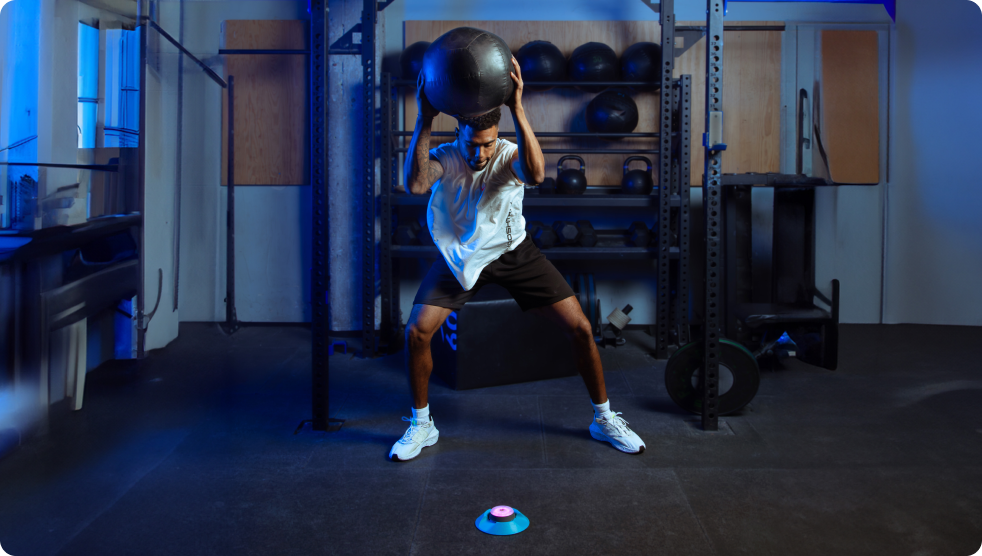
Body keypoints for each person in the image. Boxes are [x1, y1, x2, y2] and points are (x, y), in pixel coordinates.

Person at [389, 56, 645, 461]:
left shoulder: (508, 154)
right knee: (418, 332)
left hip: (514, 253)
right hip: (461, 257)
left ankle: (604, 418)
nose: (481, 154)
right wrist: (423, 118)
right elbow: (417, 184)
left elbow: (538, 174)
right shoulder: (447, 156)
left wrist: (519, 108)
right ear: (458, 133)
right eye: (474, 145)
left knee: (580, 329)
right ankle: (422, 425)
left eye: (488, 143)